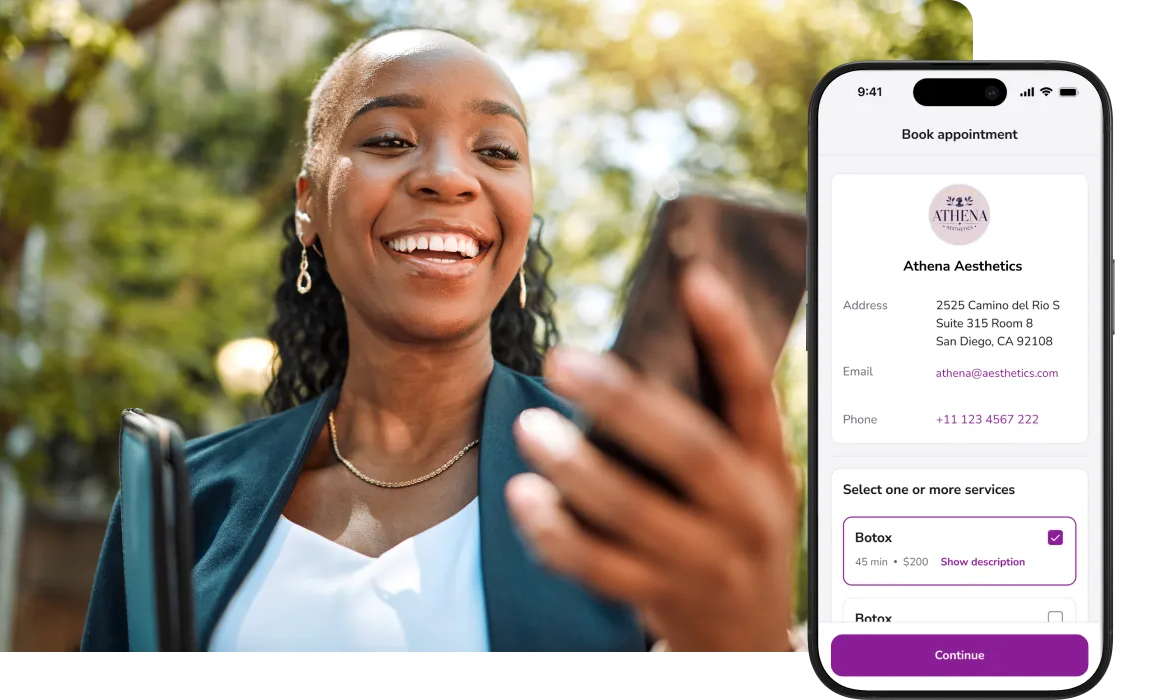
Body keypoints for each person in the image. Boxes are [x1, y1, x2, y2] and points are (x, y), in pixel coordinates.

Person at [80, 26, 799, 654]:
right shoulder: (184, 500)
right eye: (391, 139)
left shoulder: (616, 481)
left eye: (496, 150)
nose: (451, 178)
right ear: (308, 207)